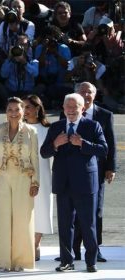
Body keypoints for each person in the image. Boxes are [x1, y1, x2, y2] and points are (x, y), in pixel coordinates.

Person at [40, 93, 108, 273]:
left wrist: (83, 143)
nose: (71, 110)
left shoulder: (93, 126)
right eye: (67, 107)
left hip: (85, 183)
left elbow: (103, 150)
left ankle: (91, 261)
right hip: (63, 183)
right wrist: (55, 143)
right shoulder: (56, 127)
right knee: (65, 225)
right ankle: (66, 261)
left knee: (88, 224)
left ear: (82, 108)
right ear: (63, 109)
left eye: (75, 106)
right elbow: (44, 152)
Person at [58, 82, 116, 263]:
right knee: (72, 213)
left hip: (96, 171)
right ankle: (72, 249)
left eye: (89, 92)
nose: (87, 94)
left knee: (95, 212)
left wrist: (110, 168)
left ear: (95, 94)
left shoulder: (105, 115)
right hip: (71, 171)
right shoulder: (66, 112)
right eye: (83, 92)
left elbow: (111, 144)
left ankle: (95, 249)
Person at [0, 97, 39, 272]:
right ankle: (4, 261)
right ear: (6, 112)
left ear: (24, 112)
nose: (14, 113)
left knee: (22, 219)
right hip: (1, 176)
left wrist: (35, 182)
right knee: (3, 218)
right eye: (10, 110)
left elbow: (34, 159)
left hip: (24, 178)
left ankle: (20, 261)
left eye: (17, 110)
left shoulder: (31, 132)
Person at [22, 95, 53, 261]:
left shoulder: (48, 129)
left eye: (28, 107)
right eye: (23, 107)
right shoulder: (19, 128)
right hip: (21, 176)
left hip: (43, 175)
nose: (24, 111)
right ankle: (24, 243)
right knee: (23, 211)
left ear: (37, 108)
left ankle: (35, 243)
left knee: (41, 209)